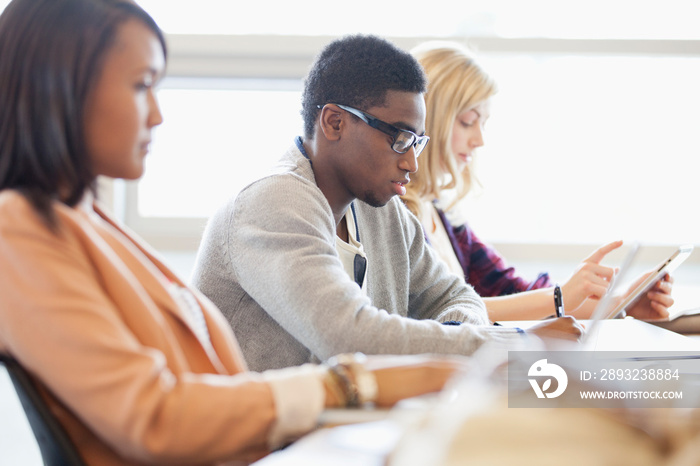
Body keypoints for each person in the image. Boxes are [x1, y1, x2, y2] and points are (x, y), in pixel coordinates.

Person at [0, 2, 471, 464]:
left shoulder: (87, 223)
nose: (158, 115)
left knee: (511, 418)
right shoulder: (18, 230)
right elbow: (155, 416)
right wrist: (346, 385)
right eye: (141, 85)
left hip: (275, 446)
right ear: (59, 89)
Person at [192, 34, 586, 374]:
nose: (411, 162)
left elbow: (455, 297)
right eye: (399, 138)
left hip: (343, 432)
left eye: (417, 142)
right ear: (334, 123)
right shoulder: (271, 202)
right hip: (260, 451)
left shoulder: (381, 209)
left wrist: (459, 336)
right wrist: (511, 342)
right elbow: (349, 335)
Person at [401, 40, 674, 321]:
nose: (479, 140)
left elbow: (513, 292)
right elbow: (434, 311)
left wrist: (621, 305)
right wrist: (559, 298)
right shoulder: (395, 215)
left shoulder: (444, 216)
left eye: (483, 123)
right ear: (427, 118)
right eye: (468, 121)